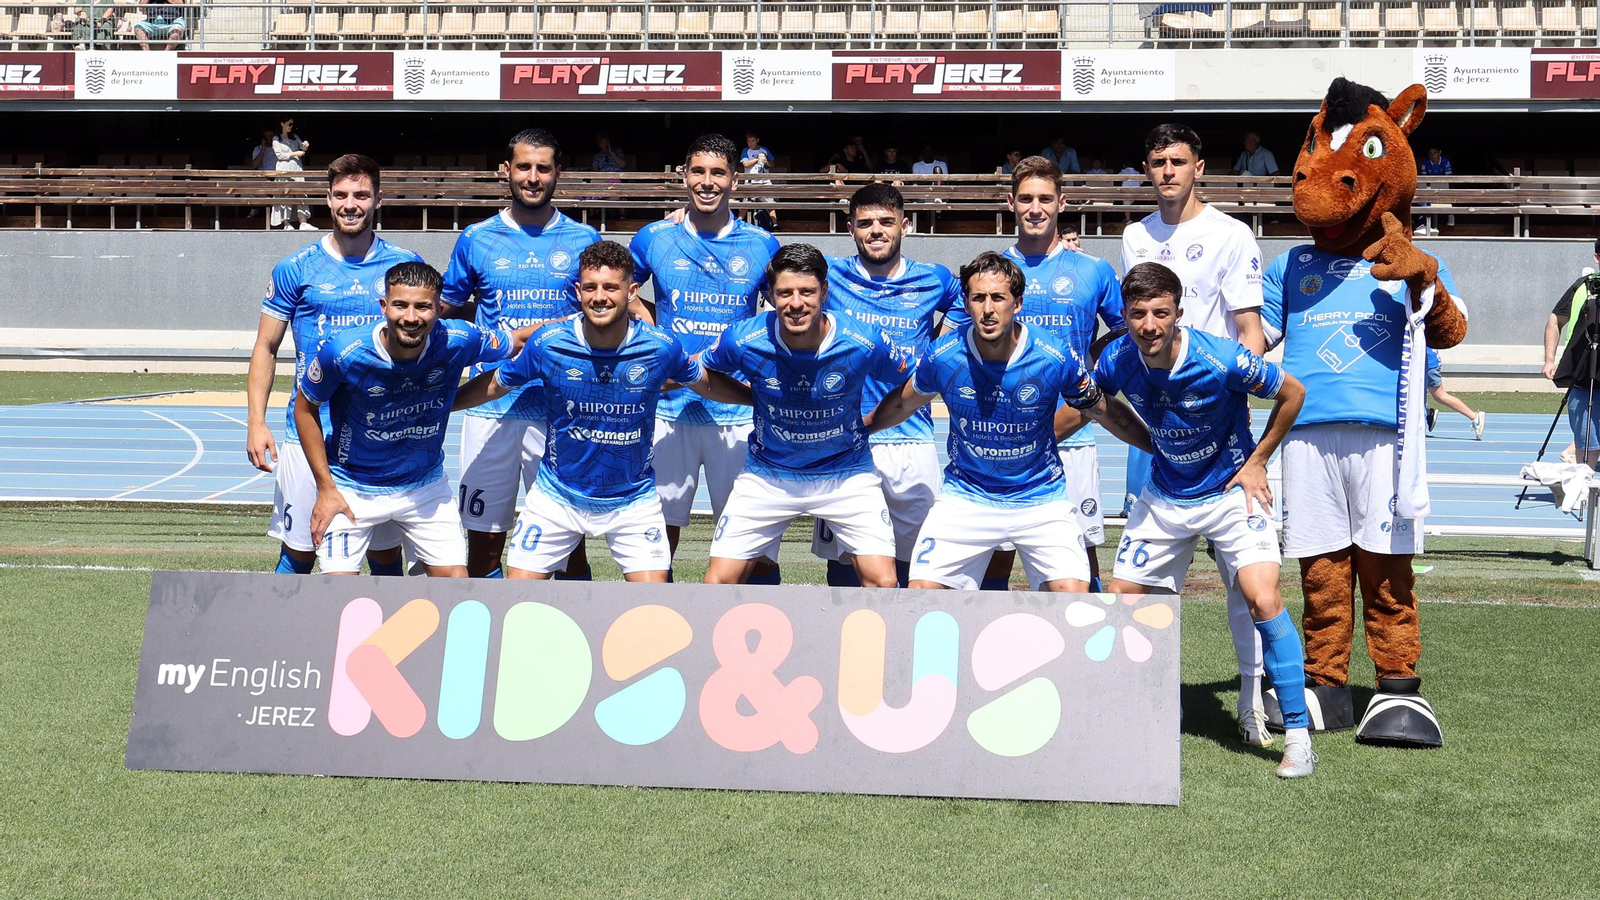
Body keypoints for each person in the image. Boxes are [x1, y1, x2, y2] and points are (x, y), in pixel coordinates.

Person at [1098, 262, 1315, 778]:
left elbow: (1294, 393)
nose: (1149, 325)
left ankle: (1298, 737)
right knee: (1120, 601)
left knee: (1263, 597)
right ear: (1125, 316)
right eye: (1137, 314)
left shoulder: (1221, 358)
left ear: (1178, 313)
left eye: (1160, 313)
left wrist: (1257, 461)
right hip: (1166, 494)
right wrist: (1143, 441)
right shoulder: (1116, 358)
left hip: (1229, 492)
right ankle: (1143, 712)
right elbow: (1095, 402)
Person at [451, 241, 750, 581]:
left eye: (611, 287)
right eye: (590, 287)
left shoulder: (660, 347)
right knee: (518, 598)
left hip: (632, 501)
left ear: (631, 291)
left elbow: (706, 383)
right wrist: (444, 406)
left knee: (656, 611)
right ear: (578, 291)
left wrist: (757, 399)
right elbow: (495, 384)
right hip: (556, 498)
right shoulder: (549, 343)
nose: (599, 296)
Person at [870, 251, 1152, 593]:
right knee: (922, 594)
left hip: (1040, 497)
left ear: (1017, 304)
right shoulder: (943, 356)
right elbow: (902, 402)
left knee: (1074, 598)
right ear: (967, 302)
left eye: (998, 298)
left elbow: (1104, 411)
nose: (988, 309)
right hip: (966, 496)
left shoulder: (1054, 356)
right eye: (978, 298)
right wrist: (861, 430)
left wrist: (1156, 447)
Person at [1123, 123, 1270, 743]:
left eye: (1177, 161)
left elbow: (1249, 329)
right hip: (1159, 426)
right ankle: (1153, 703)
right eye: (1156, 161)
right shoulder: (1135, 236)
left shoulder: (1231, 235)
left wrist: (1241, 414)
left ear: (1199, 167)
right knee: (1155, 577)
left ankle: (1250, 698)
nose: (1166, 172)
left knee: (1247, 578)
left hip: (1222, 426)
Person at [944, 156, 1125, 591]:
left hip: (1074, 432)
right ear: (1010, 203)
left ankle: (1087, 657)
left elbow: (1126, 334)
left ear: (1062, 203)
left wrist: (1096, 377)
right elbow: (950, 340)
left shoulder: (1093, 269)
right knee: (996, 558)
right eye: (1025, 198)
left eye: (1045, 198)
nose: (1035, 208)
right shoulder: (987, 272)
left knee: (1080, 559)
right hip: (999, 435)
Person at [246, 154, 424, 577]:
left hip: (381, 437)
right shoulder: (296, 268)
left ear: (378, 199)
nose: (351, 204)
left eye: (361, 195)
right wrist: (256, 421)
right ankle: (280, 641)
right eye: (342, 195)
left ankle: (386, 643)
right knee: (301, 551)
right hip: (310, 433)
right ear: (327, 199)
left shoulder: (404, 264)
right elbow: (266, 346)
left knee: (384, 556)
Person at [440, 128, 601, 580]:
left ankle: (574, 637)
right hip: (491, 404)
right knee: (485, 542)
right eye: (524, 167)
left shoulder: (583, 237)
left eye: (543, 168)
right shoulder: (476, 238)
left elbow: (612, 305)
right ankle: (491, 641)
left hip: (561, 409)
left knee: (569, 543)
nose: (533, 177)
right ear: (505, 171)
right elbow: (444, 308)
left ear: (558, 174)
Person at [700, 244, 910, 588]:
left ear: (824, 291)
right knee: (718, 583)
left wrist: (871, 423)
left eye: (807, 292)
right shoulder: (744, 339)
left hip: (846, 473)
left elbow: (914, 385)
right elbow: (698, 373)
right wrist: (750, 398)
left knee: (883, 584)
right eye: (784, 293)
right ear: (770, 295)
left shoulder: (863, 340)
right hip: (768, 474)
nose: (796, 303)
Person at [296, 262, 525, 577]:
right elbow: (305, 407)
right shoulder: (343, 352)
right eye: (401, 305)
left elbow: (520, 340)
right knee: (337, 594)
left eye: (423, 307)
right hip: (351, 487)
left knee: (457, 586)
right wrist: (325, 487)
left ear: (439, 308)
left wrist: (579, 323)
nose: (411, 317)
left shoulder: (458, 338)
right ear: (384, 306)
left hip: (425, 486)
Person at [629, 134, 782, 579]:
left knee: (751, 547)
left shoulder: (762, 244)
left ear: (735, 179)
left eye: (718, 173)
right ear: (684, 176)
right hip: (668, 409)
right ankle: (658, 628)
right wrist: (652, 328)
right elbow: (623, 292)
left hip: (734, 411)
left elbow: (781, 315)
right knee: (657, 540)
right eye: (698, 171)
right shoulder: (653, 237)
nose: (707, 182)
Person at [809, 183, 963, 588]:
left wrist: (941, 346)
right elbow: (774, 278)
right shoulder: (831, 275)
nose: (876, 230)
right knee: (845, 563)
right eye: (865, 223)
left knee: (919, 565)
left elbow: (969, 299)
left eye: (886, 221)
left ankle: (904, 648)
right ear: (850, 229)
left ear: (905, 226)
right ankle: (846, 645)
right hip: (847, 441)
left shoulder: (934, 279)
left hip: (913, 440)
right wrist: (686, 217)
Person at [1545, 240, 1600, 467]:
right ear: (1597, 258)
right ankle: (1583, 494)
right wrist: (1549, 359)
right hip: (1584, 375)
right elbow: (1555, 320)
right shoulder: (1583, 287)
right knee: (1588, 444)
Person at [1424, 348, 1485, 439]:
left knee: (1440, 396)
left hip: (1428, 364)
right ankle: (1428, 413)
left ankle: (1475, 417)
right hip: (1427, 362)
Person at [271, 116, 314, 231]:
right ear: (282, 124)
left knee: (301, 192)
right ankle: (286, 223)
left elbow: (302, 148)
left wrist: (305, 146)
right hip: (284, 168)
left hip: (296, 167)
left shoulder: (294, 136)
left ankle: (303, 222)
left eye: (292, 124)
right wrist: (294, 154)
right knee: (286, 194)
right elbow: (279, 155)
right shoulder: (276, 139)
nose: (291, 126)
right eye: (289, 124)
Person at [741, 132, 778, 232]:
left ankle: (775, 225)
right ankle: (738, 223)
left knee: (770, 203)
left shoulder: (764, 150)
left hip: (764, 181)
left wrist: (766, 161)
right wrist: (757, 159)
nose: (750, 143)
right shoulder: (746, 150)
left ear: (757, 140)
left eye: (752, 141)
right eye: (748, 141)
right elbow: (745, 164)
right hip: (750, 181)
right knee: (745, 204)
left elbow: (773, 164)